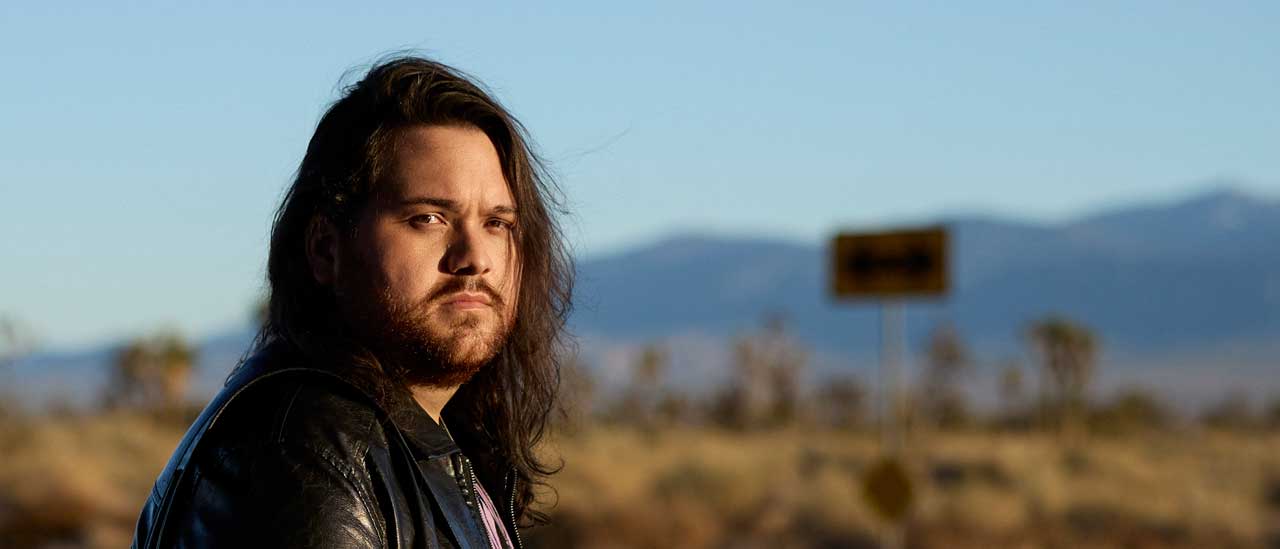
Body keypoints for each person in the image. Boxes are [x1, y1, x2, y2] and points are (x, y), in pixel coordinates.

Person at [131, 56, 573, 548]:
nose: (475, 258)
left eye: (498, 223)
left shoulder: (421, 443)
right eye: (428, 218)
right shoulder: (307, 450)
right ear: (326, 248)